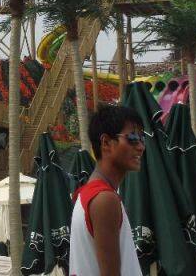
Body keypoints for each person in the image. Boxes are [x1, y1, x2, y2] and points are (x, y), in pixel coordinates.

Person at [69, 104, 145, 276]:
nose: (140, 146)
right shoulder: (104, 200)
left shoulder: (88, 194)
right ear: (106, 143)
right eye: (132, 137)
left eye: (142, 138)